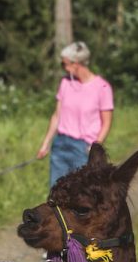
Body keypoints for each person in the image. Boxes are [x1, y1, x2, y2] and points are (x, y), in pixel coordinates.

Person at [36, 41, 114, 187]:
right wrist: (45, 144)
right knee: (56, 194)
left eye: (64, 64)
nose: (64, 68)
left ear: (76, 63)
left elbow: (107, 122)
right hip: (60, 144)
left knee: (80, 195)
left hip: (82, 149)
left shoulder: (102, 87)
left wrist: (95, 146)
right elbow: (56, 115)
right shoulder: (65, 83)